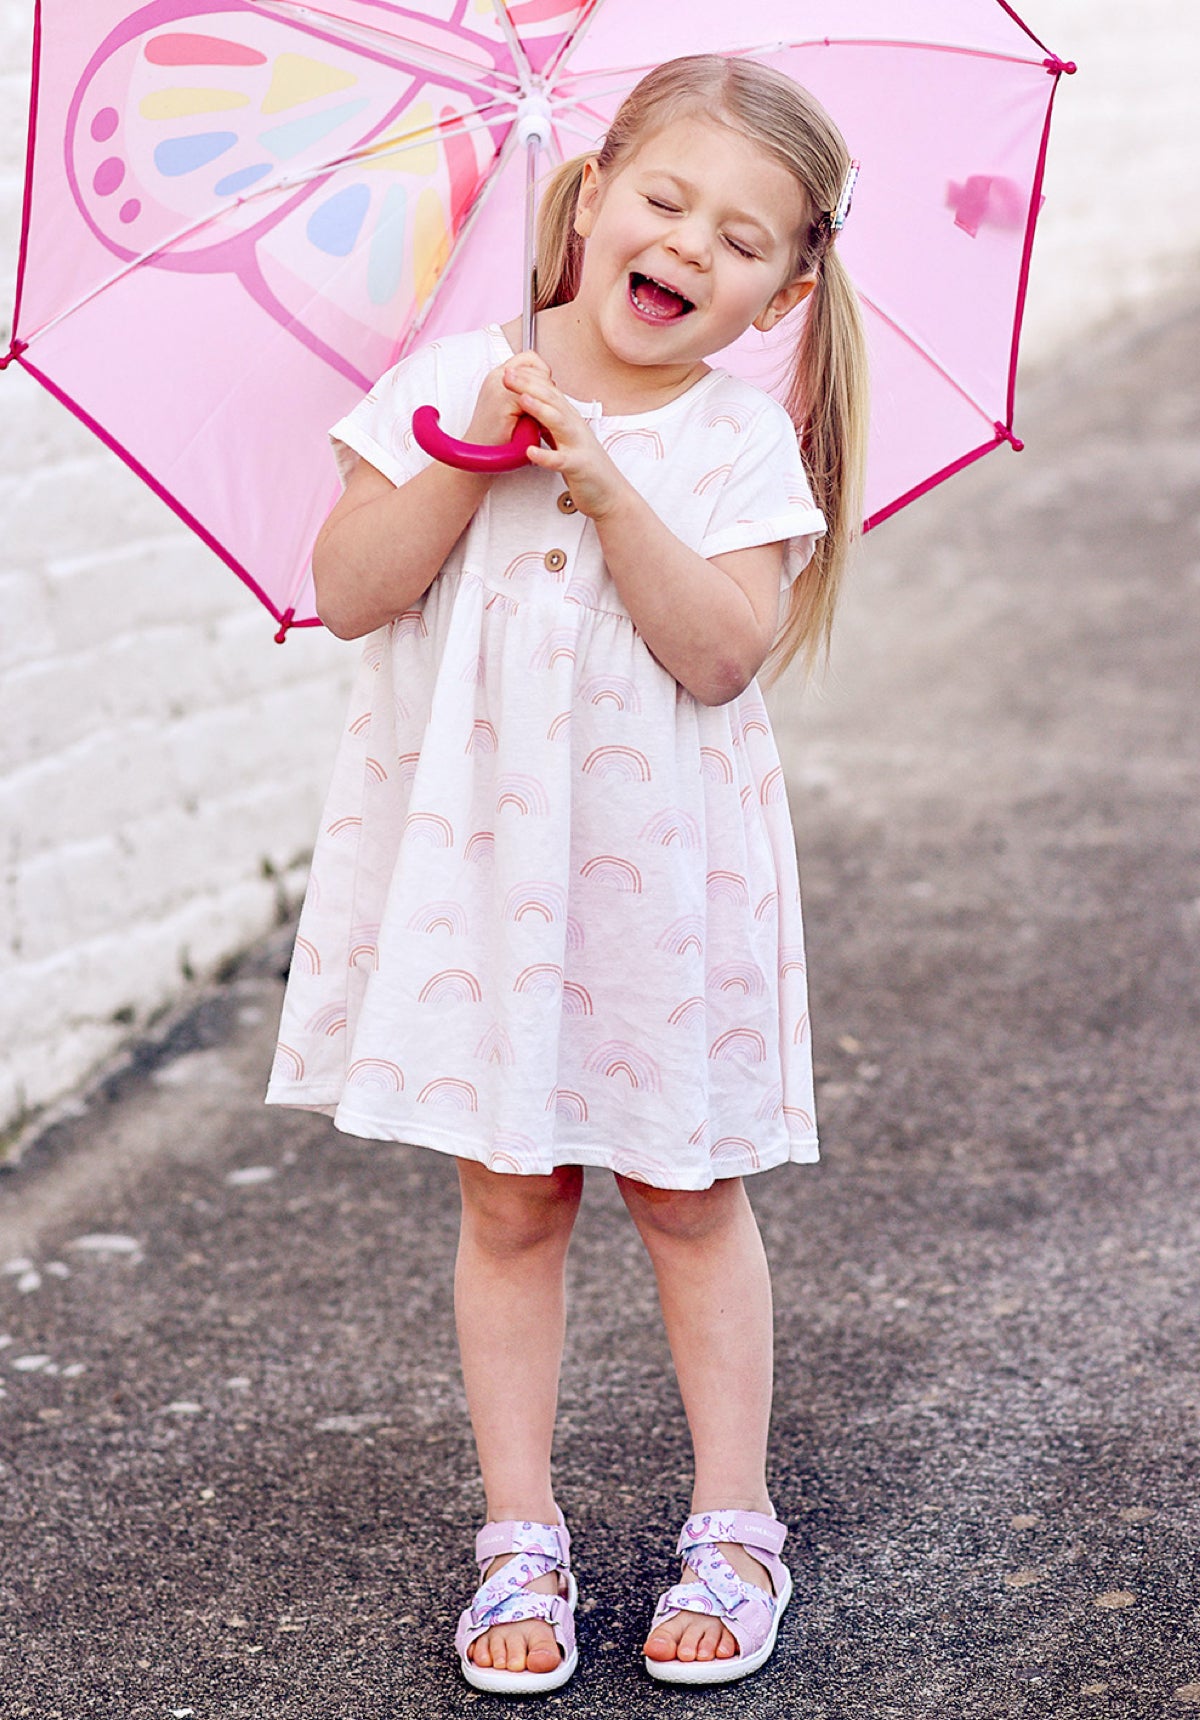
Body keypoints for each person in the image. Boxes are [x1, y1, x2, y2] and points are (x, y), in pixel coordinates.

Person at [266, 53, 868, 1693]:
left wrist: (609, 485)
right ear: (593, 198)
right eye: (666, 200)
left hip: (657, 886)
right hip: (483, 878)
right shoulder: (453, 380)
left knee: (685, 1191)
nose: (691, 244)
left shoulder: (739, 440)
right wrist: (470, 450)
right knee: (509, 1197)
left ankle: (733, 1522)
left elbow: (724, 649)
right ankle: (517, 1532)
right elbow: (349, 592)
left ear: (782, 292)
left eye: (745, 240)